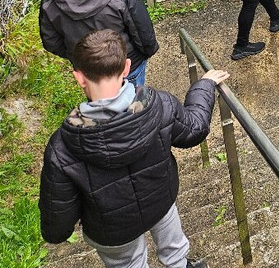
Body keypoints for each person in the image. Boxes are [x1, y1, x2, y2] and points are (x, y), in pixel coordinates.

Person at [39, 29, 229, 268]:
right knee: (175, 248)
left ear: (79, 77)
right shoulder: (160, 105)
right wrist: (204, 85)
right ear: (127, 67)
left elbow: (57, 225)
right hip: (160, 199)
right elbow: (195, 129)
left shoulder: (61, 149)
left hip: (111, 230)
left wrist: (60, 230)